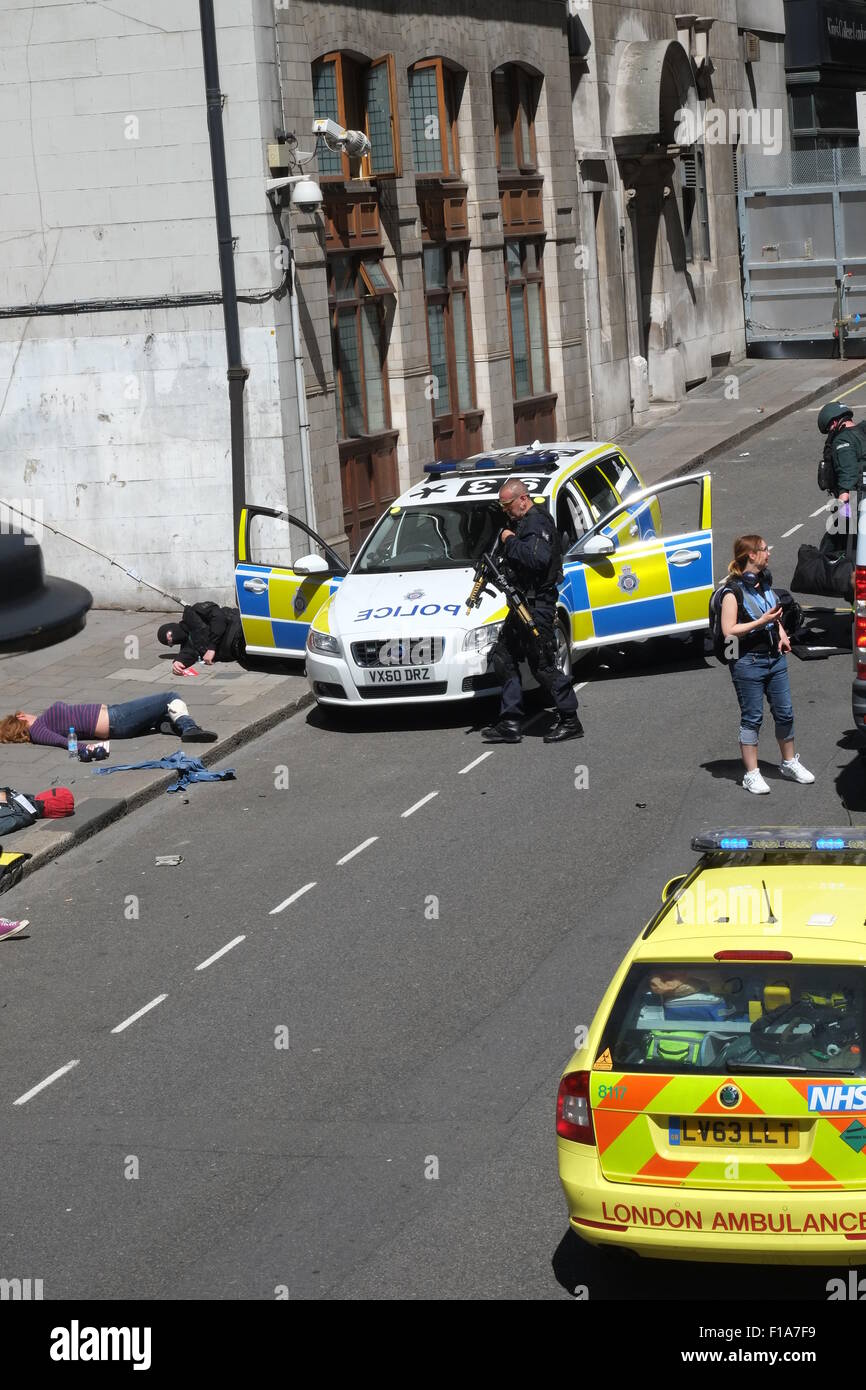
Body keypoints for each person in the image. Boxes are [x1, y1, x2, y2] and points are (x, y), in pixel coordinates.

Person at [482, 478, 583, 744]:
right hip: (521, 603)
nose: (506, 511)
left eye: (508, 505)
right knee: (503, 656)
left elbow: (536, 559)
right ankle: (511, 721)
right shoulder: (521, 522)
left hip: (537, 604)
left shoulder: (537, 523)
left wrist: (509, 539)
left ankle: (570, 720)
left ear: (523, 499)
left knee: (542, 663)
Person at [720, 534, 814, 795]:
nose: (768, 553)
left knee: (785, 713)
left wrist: (781, 632)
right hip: (748, 662)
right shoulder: (733, 591)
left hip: (774, 658)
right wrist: (760, 623)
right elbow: (729, 630)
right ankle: (751, 774)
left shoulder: (763, 583)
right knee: (752, 718)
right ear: (751, 555)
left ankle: (789, 763)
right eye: (763, 550)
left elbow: (773, 615)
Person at [0, 693, 217, 747]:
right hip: (117, 720)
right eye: (25, 713)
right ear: (20, 718)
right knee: (170, 696)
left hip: (115, 717)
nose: (29, 713)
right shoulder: (38, 729)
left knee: (160, 712)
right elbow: (63, 743)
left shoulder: (39, 729)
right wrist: (87, 750)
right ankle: (189, 729)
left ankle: (167, 725)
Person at [157, 603, 244, 675]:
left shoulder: (194, 612)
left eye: (170, 635)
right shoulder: (188, 645)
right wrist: (178, 662)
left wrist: (211, 648)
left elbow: (218, 616)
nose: (172, 639)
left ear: (172, 626)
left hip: (240, 628)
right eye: (170, 642)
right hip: (238, 651)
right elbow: (188, 654)